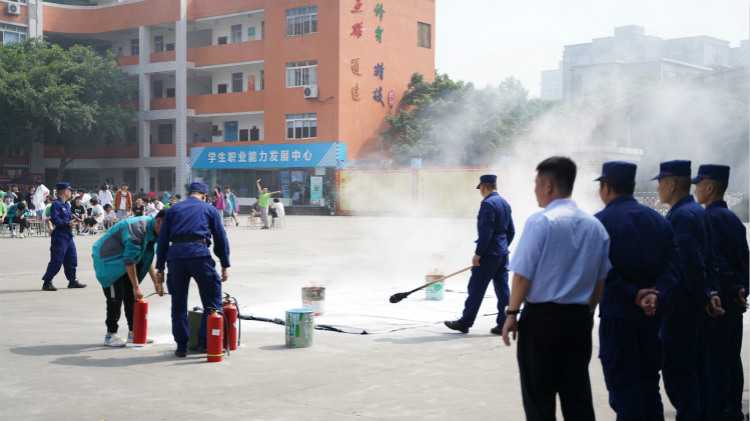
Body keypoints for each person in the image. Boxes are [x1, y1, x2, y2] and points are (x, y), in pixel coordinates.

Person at [501, 156, 611, 421]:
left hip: (542, 321)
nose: (535, 190)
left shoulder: (541, 222)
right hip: (578, 320)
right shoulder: (595, 226)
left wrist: (512, 313)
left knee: (539, 397)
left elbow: (521, 277)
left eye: (536, 184)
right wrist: (587, 312)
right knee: (577, 396)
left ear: (547, 185)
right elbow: (600, 281)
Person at [593, 161, 682, 421]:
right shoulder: (659, 221)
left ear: (606, 187)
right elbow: (674, 266)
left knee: (624, 391)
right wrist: (655, 294)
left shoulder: (600, 223)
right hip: (652, 318)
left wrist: (633, 294)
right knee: (648, 386)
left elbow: (600, 271)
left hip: (618, 317)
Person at [653, 160, 723, 421]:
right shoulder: (697, 211)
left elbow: (689, 263)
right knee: (698, 374)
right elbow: (711, 258)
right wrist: (712, 293)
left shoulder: (682, 216)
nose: (659, 188)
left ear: (671, 184)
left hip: (682, 310)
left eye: (660, 182)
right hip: (696, 308)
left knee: (681, 378)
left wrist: (704, 297)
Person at [692, 164, 749, 421]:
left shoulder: (708, 218)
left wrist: (732, 288)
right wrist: (743, 288)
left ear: (710, 187)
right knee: (731, 356)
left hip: (718, 301)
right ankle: (734, 408)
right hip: (736, 302)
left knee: (713, 359)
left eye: (698, 185)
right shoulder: (734, 219)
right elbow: (745, 261)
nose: (695, 190)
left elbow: (716, 261)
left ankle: (717, 411)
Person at [155, 182, 230, 358]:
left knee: (178, 303)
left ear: (189, 195)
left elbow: (163, 239)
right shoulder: (209, 209)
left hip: (176, 257)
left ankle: (182, 346)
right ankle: (205, 341)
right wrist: (225, 264)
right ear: (204, 196)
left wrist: (159, 268)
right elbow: (220, 238)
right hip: (199, 254)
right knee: (212, 300)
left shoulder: (173, 209)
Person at [445, 174, 515, 334]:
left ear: (482, 187)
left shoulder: (488, 204)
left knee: (476, 287)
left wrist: (479, 253)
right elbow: (511, 230)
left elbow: (486, 232)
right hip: (502, 253)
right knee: (503, 288)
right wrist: (503, 246)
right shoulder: (504, 203)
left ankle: (465, 322)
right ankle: (505, 323)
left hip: (489, 254)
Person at [92, 210, 165, 346]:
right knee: (115, 297)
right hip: (108, 259)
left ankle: (134, 332)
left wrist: (156, 281)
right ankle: (110, 335)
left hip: (124, 261)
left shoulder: (154, 231)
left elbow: (148, 257)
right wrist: (137, 287)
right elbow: (129, 260)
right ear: (159, 221)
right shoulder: (137, 229)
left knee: (131, 297)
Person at [41, 182, 87, 291]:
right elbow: (55, 219)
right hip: (60, 235)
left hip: (68, 234)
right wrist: (67, 223)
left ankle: (72, 281)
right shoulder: (56, 204)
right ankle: (47, 282)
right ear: (65, 191)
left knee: (72, 258)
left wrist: (71, 222)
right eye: (70, 190)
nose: (71, 192)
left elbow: (68, 217)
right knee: (57, 259)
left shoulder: (67, 204)